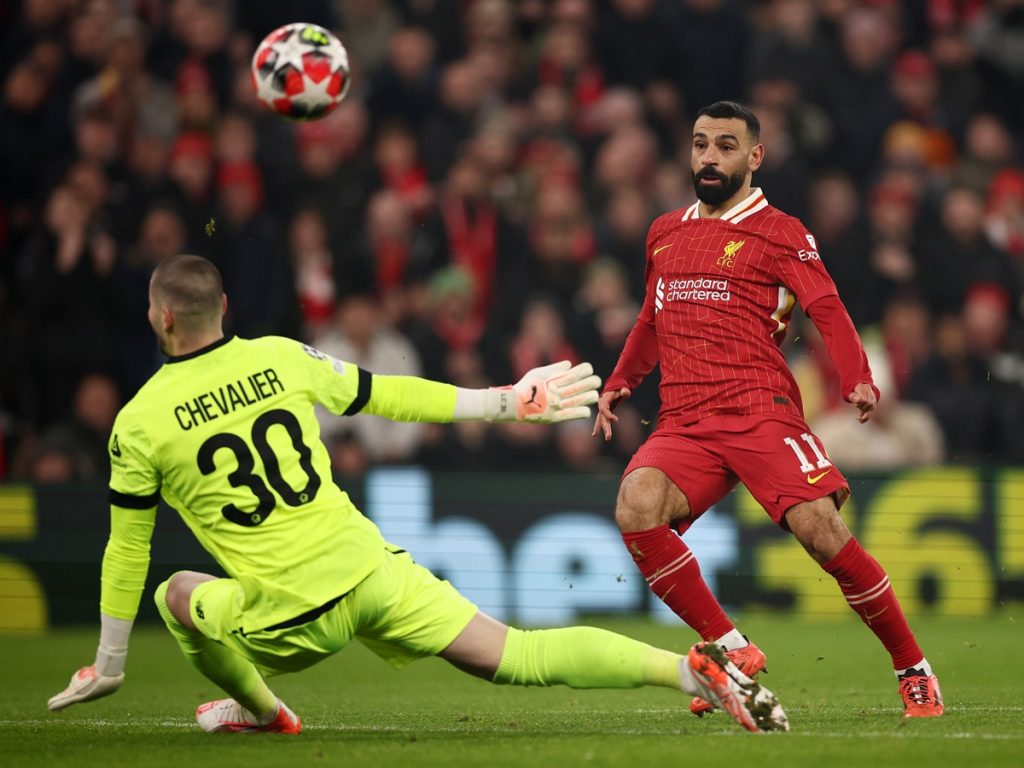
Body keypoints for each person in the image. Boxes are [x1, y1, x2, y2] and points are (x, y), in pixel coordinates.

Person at [47, 254, 788, 734]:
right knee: (519, 654)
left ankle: (262, 710)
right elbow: (389, 395)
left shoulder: (138, 421)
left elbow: (128, 545)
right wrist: (505, 401)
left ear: (162, 316)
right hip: (372, 571)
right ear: (225, 307)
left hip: (286, 616)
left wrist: (111, 661)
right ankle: (689, 668)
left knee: (178, 593)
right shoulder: (278, 357)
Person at [593, 101, 943, 719]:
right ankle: (730, 648)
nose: (708, 156)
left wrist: (857, 377)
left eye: (726, 146)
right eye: (700, 143)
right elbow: (652, 316)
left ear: (754, 158)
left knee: (822, 533)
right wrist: (621, 380)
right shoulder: (663, 232)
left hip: (761, 411)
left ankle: (913, 668)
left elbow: (826, 308)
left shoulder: (781, 230)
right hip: (684, 419)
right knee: (635, 506)